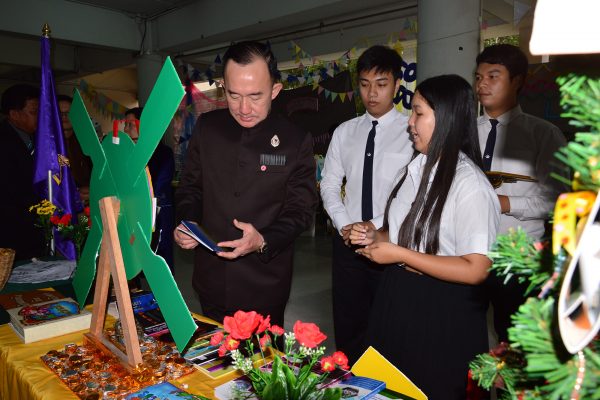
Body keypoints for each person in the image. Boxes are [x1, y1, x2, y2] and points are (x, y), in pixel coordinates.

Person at [349, 75, 500, 398]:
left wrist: (400, 254)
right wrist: (374, 235)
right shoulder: (415, 169)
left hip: (442, 311)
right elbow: (400, 230)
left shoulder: (470, 185)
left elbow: (477, 268)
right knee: (387, 387)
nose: (410, 123)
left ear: (445, 118)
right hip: (398, 297)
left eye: (418, 113)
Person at [174, 41, 317, 327]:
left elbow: (300, 211)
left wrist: (263, 239)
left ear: (275, 90)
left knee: (262, 356)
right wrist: (187, 223)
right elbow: (191, 186)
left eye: (255, 96)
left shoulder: (295, 140)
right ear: (223, 88)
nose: (244, 108)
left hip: (264, 285)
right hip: (211, 280)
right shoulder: (208, 128)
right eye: (234, 95)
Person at [319, 45, 413, 364]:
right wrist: (345, 224)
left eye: (381, 84)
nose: (372, 94)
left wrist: (373, 225)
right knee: (348, 325)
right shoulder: (345, 132)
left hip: (391, 242)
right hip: (347, 245)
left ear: (397, 85)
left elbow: (411, 193)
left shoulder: (412, 132)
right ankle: (350, 383)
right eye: (364, 84)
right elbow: (330, 183)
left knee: (391, 327)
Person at [475, 44, 567, 342]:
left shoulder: (543, 134)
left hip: (518, 258)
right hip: (468, 252)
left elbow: (557, 201)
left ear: (517, 81)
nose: (482, 84)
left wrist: (505, 203)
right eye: (479, 77)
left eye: (493, 76)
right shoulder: (465, 132)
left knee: (514, 343)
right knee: (466, 336)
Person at [124, 107, 176, 272]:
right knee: (132, 253)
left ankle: (163, 285)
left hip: (158, 210)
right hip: (132, 209)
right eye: (125, 125)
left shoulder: (163, 153)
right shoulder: (126, 153)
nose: (125, 130)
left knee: (160, 253)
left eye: (130, 125)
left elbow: (159, 185)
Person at [0, 84, 45, 260]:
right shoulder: (4, 142)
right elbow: (12, 188)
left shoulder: (37, 138)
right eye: (34, 112)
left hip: (34, 228)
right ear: (14, 114)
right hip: (12, 229)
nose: (39, 117)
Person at [58, 94, 92, 204]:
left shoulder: (85, 142)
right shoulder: (45, 145)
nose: (64, 118)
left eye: (68, 113)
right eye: (60, 114)